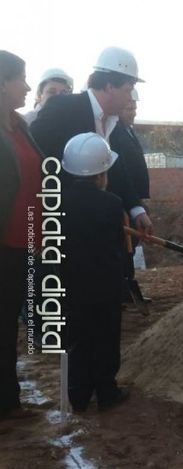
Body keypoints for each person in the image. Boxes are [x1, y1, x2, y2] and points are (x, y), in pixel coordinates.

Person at [30, 47, 153, 238]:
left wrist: (136, 208)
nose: (130, 98)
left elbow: (115, 167)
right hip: (63, 229)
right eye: (128, 90)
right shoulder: (62, 109)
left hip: (99, 226)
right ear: (110, 86)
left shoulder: (114, 123)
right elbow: (36, 159)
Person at [61, 132, 129, 412]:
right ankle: (106, 392)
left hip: (71, 286)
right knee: (106, 339)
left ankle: (77, 396)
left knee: (78, 340)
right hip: (105, 287)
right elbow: (117, 248)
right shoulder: (112, 204)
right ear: (101, 174)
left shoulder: (57, 203)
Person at [0, 51, 42, 419]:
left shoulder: (21, 127)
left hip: (25, 243)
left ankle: (8, 396)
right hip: (3, 245)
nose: (28, 86)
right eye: (21, 78)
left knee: (9, 322)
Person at [108, 88, 151, 301]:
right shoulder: (113, 132)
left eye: (134, 107)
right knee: (123, 246)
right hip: (123, 199)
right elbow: (119, 170)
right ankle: (122, 287)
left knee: (131, 246)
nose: (133, 112)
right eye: (129, 108)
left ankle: (126, 283)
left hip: (134, 199)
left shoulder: (128, 130)